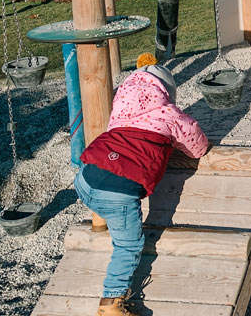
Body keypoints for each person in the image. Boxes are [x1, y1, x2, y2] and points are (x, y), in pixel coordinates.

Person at [74, 54, 210, 316]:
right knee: (128, 245)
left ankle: (105, 219)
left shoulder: (119, 107)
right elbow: (196, 144)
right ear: (167, 92)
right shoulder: (169, 113)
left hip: (85, 179)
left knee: (110, 200)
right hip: (118, 193)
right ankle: (111, 301)